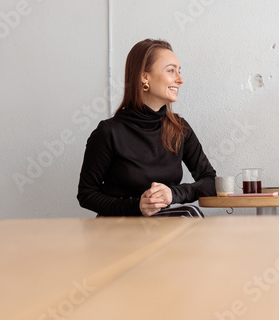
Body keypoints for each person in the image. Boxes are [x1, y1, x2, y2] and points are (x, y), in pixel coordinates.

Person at [77, 39, 215, 217]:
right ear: (144, 77)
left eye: (179, 72)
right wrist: (137, 206)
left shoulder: (180, 129)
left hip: (162, 230)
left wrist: (172, 194)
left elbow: (210, 181)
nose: (180, 80)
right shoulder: (108, 132)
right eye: (171, 71)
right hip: (116, 235)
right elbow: (86, 194)